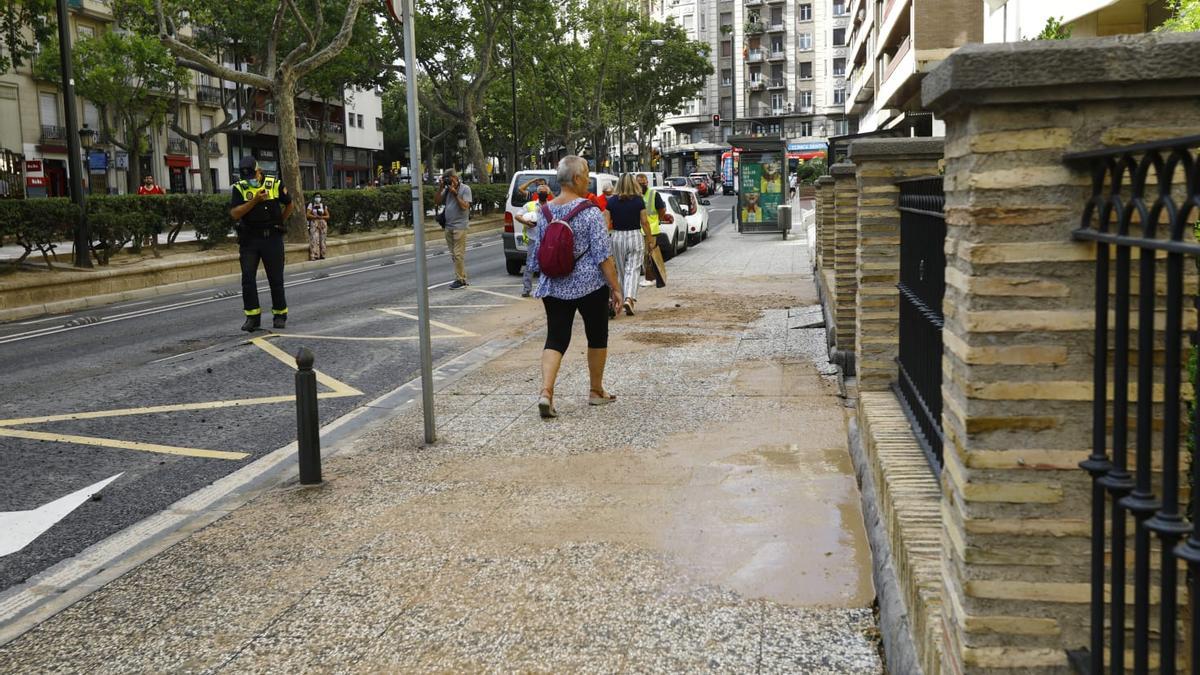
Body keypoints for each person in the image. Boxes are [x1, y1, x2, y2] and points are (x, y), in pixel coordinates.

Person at [527, 155, 622, 419]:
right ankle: (595, 391)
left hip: (554, 285)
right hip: (590, 285)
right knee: (597, 334)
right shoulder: (590, 212)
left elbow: (536, 255)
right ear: (577, 179)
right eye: (587, 174)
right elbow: (604, 255)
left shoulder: (544, 212)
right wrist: (615, 288)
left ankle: (546, 392)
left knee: (555, 337)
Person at [229, 156, 293, 331]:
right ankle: (252, 318)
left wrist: (280, 222)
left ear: (258, 170)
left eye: (252, 175)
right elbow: (235, 213)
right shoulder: (239, 188)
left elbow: (289, 204)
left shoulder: (274, 184)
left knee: (276, 279)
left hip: (272, 238)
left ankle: (280, 315)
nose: (249, 179)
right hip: (250, 239)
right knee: (248, 279)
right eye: (246, 177)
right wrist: (255, 200)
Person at [603, 173, 655, 317]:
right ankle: (628, 299)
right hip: (634, 235)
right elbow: (644, 221)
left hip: (617, 236)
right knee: (633, 269)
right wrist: (650, 239)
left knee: (621, 271)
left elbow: (606, 223)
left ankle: (617, 302)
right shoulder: (638, 201)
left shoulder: (611, 201)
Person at [434, 169, 472, 289]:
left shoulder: (465, 189)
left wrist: (455, 194)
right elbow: (437, 201)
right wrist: (441, 188)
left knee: (458, 254)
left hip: (460, 226)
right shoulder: (447, 190)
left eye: (449, 179)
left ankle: (460, 280)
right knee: (454, 255)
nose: (448, 181)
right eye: (446, 179)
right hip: (448, 226)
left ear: (455, 178)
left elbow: (465, 207)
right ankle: (461, 277)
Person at [516, 183, 553, 297]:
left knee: (546, 264)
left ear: (547, 194)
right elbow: (518, 216)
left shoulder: (552, 206)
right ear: (537, 194)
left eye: (544, 192)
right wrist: (526, 222)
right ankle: (527, 289)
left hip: (547, 240)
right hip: (533, 239)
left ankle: (545, 289)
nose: (542, 194)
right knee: (530, 264)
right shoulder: (530, 205)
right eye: (540, 192)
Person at [637, 173, 668, 288]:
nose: (642, 185)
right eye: (639, 183)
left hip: (650, 229)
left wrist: (658, 219)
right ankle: (650, 277)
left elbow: (662, 210)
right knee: (644, 255)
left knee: (648, 255)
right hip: (639, 230)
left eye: (643, 183)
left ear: (647, 183)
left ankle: (649, 278)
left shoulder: (653, 194)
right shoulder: (636, 195)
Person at [306, 193, 330, 260]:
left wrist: (321, 216)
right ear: (314, 198)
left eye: (319, 197)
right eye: (316, 197)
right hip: (314, 222)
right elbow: (307, 214)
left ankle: (323, 254)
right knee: (314, 239)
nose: (318, 198)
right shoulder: (311, 205)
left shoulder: (323, 205)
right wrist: (315, 216)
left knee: (323, 239)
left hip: (322, 223)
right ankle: (314, 255)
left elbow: (328, 216)